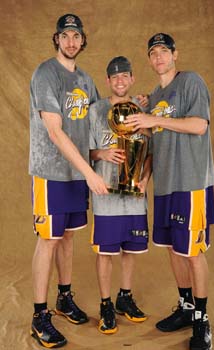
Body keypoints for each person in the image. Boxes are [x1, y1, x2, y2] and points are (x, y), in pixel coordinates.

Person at [124, 33, 214, 350]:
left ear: (175, 54)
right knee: (172, 249)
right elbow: (154, 145)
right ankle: (187, 308)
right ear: (150, 60)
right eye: (153, 52)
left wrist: (152, 116)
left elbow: (199, 125)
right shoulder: (155, 94)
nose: (159, 56)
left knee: (191, 252)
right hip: (164, 184)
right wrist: (144, 178)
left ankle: (202, 322)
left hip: (190, 181)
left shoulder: (191, 82)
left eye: (164, 50)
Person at [29, 13, 108, 348]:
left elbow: (95, 125)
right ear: (57, 39)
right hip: (52, 172)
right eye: (65, 36)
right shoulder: (46, 73)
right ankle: (38, 315)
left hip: (77, 174)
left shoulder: (88, 81)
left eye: (77, 36)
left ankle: (63, 297)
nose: (71, 41)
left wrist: (99, 158)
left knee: (67, 238)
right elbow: (54, 130)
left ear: (82, 40)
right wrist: (90, 172)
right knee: (49, 239)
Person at [89, 56, 152, 334]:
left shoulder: (141, 110)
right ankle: (105, 304)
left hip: (134, 195)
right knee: (106, 252)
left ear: (132, 79)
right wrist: (102, 153)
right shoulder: (95, 111)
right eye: (114, 77)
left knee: (131, 249)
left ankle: (124, 297)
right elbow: (84, 151)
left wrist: (145, 178)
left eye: (124, 75)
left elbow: (150, 152)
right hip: (106, 193)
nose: (120, 81)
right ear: (107, 81)